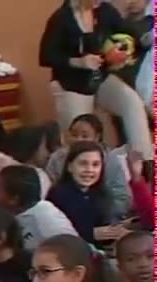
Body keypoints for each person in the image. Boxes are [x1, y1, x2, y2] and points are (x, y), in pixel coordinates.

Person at [38, 0, 153, 162]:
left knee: (132, 103)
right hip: (71, 85)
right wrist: (78, 62)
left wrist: (124, 52)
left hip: (100, 78)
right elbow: (46, 57)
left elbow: (129, 34)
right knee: (80, 137)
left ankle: (144, 162)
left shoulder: (105, 11)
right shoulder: (61, 18)